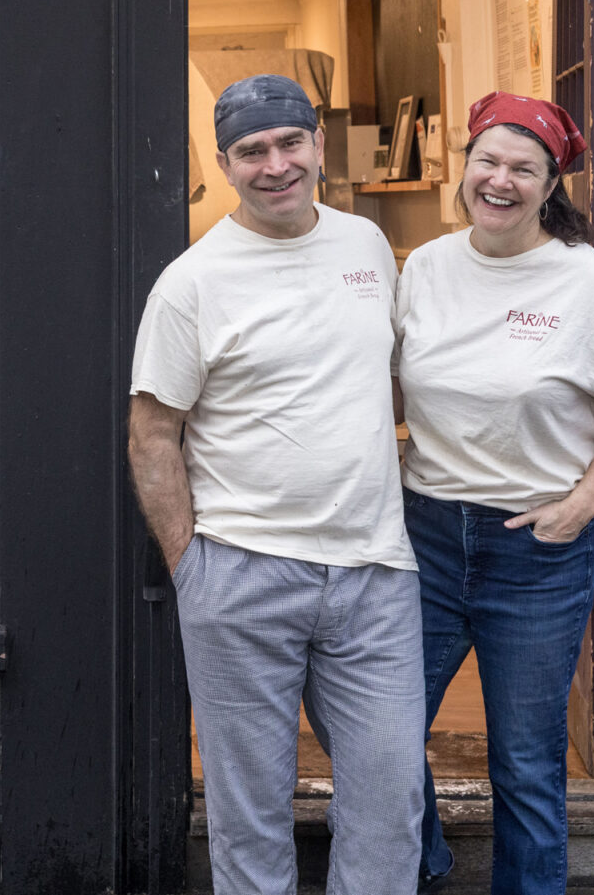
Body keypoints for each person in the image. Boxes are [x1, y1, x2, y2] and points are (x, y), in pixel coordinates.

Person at [128, 73, 423, 895]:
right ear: (225, 164)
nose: (276, 164)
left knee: (390, 798)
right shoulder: (191, 282)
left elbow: (390, 376)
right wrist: (195, 566)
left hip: (376, 574)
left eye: (290, 142)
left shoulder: (366, 247)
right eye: (251, 151)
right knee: (249, 813)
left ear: (319, 144)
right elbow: (152, 435)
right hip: (241, 572)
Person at [395, 91, 594, 894]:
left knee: (525, 760)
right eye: (488, 160)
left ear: (551, 184)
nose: (501, 179)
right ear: (465, 167)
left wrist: (584, 502)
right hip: (425, 536)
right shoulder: (426, 267)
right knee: (374, 729)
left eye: (524, 167)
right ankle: (428, 859)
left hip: (539, 548)